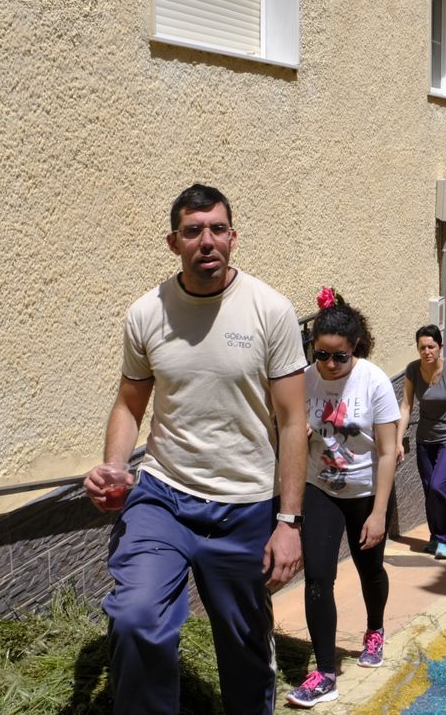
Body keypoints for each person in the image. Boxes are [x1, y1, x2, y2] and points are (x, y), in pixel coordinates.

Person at [83, 183, 308, 715]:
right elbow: (129, 403)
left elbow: (295, 421)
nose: (207, 241)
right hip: (165, 495)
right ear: (173, 242)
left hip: (246, 505)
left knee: (245, 650)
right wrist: (116, 468)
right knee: (136, 617)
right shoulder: (146, 313)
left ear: (233, 237)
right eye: (193, 231)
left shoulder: (270, 310)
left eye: (217, 229)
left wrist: (290, 520)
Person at [286, 292, 400, 708]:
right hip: (321, 491)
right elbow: (294, 432)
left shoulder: (374, 382)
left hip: (366, 494)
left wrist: (379, 513)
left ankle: (374, 629)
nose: (331, 365)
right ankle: (325, 672)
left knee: (370, 570)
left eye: (340, 357)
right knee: (318, 577)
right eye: (322, 355)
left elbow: (388, 451)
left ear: (355, 349)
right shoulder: (304, 378)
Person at [402, 325, 446, 560]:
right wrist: (400, 439)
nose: (427, 351)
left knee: (438, 485)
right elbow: (406, 406)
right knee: (429, 489)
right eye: (422, 347)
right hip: (424, 439)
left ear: (440, 347)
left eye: (431, 346)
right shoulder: (412, 370)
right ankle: (435, 536)